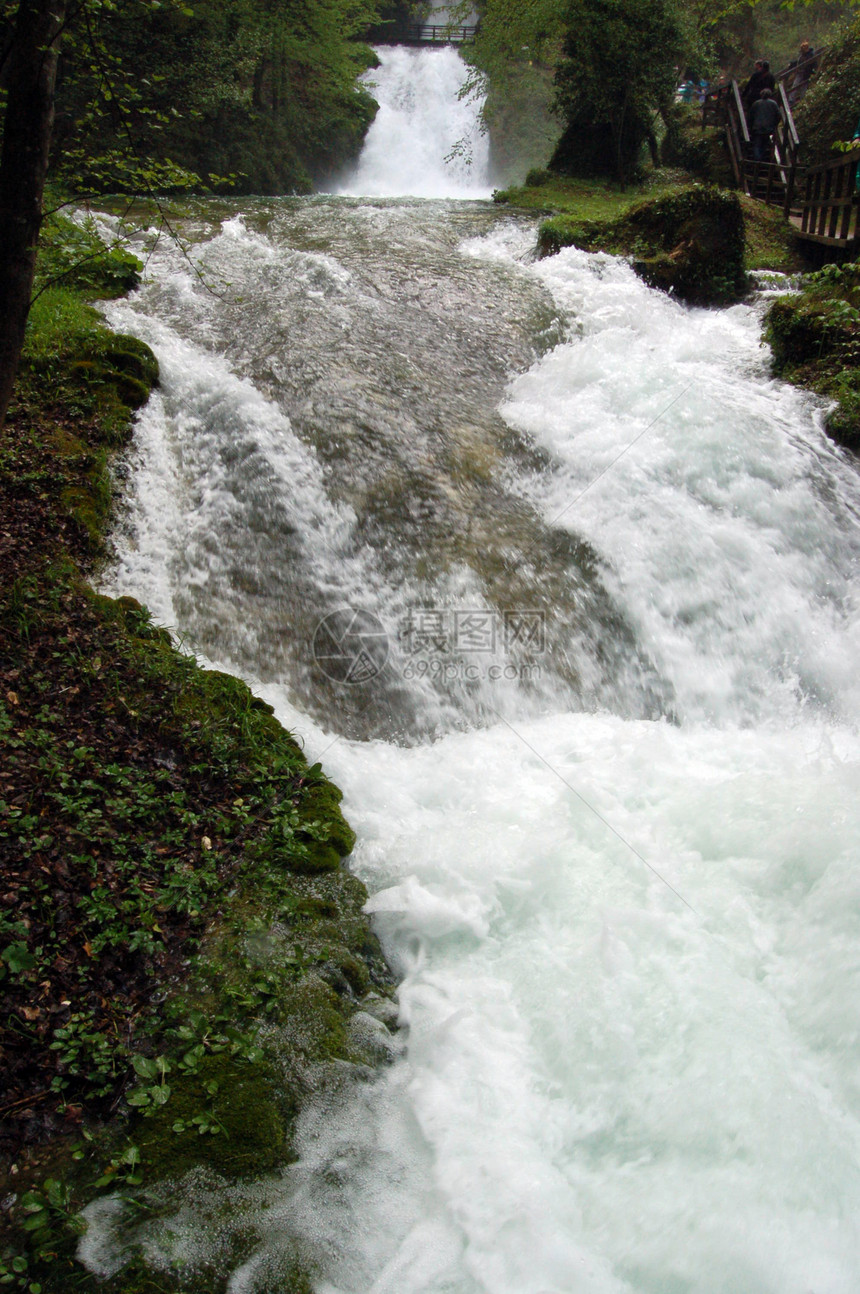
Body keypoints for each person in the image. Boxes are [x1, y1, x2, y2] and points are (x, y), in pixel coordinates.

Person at [748, 88, 781, 161]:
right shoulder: (773, 104)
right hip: (768, 128)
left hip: (757, 128)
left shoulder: (756, 103)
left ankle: (757, 160)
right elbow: (778, 115)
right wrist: (774, 124)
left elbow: (750, 116)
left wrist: (751, 126)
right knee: (764, 145)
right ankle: (761, 159)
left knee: (757, 145)